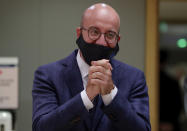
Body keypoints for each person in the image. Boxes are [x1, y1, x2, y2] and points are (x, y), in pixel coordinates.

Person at [32, 3, 151, 131]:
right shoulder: (48, 75)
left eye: (110, 35)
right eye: (94, 32)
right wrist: (86, 97)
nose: (101, 41)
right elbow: (41, 128)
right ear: (79, 33)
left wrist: (111, 95)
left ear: (118, 40)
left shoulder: (134, 78)